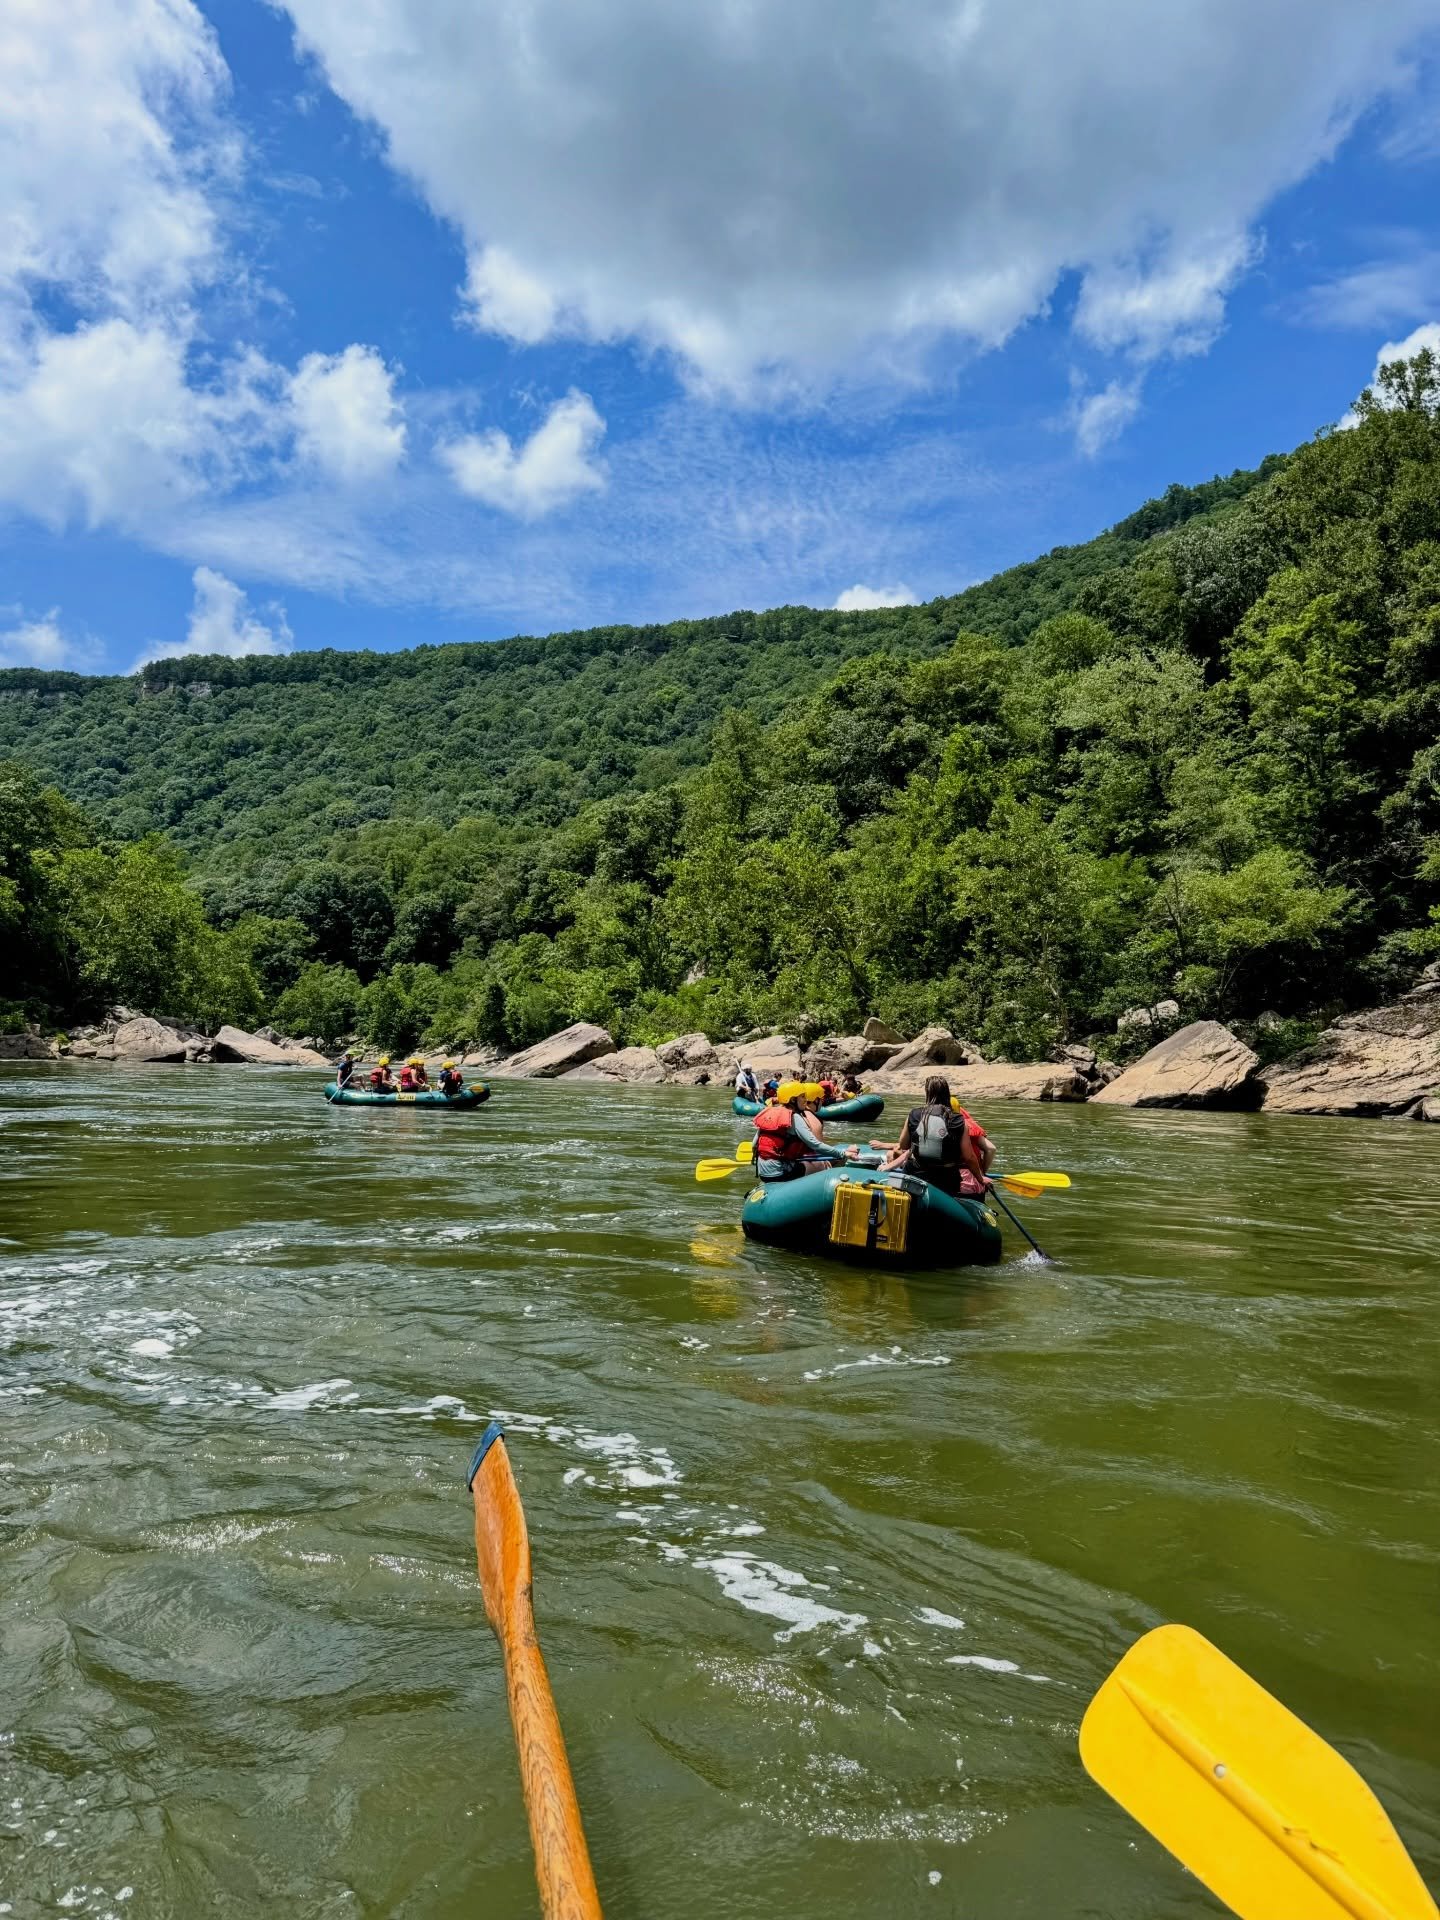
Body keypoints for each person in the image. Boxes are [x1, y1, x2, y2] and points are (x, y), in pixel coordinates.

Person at [881, 1075, 991, 1198]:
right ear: (947, 1094)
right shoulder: (959, 1120)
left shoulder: (914, 1114)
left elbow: (903, 1145)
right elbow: (969, 1157)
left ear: (927, 1093)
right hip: (946, 1179)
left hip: (916, 1174)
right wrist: (980, 1178)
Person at [753, 1092, 858, 1182]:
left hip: (763, 1174)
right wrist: (843, 1154)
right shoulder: (794, 1116)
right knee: (820, 1165)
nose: (805, 1100)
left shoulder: (769, 1114)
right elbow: (815, 1145)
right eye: (802, 1096)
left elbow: (754, 1145)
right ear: (793, 1100)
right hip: (781, 1173)